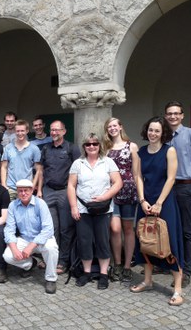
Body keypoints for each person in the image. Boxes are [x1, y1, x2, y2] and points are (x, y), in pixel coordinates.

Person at [130, 116, 185, 306]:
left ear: (163, 133)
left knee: (169, 241)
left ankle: (178, 289)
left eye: (157, 131)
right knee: (145, 240)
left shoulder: (169, 150)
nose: (152, 134)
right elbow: (137, 177)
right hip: (145, 201)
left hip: (165, 201)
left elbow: (171, 179)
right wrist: (142, 200)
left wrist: (159, 202)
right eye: (150, 130)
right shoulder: (141, 152)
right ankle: (147, 280)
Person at [68, 133, 122, 290]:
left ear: (100, 146)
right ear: (84, 147)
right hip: (83, 208)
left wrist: (104, 196)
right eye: (88, 144)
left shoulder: (108, 162)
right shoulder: (78, 163)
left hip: (103, 209)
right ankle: (86, 272)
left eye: (95, 144)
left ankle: (104, 274)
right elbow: (71, 186)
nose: (91, 146)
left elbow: (118, 182)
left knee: (102, 241)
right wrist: (73, 207)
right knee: (84, 241)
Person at [165, 101, 191, 288]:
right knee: (166, 228)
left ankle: (186, 270)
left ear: (182, 115)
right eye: (169, 113)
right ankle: (167, 262)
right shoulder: (163, 135)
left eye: (176, 113)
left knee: (187, 231)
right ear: (166, 116)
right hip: (166, 188)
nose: (173, 116)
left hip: (184, 186)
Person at [37, 120, 81, 275]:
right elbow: (41, 171)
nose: (54, 132)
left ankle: (63, 261)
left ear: (63, 131)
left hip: (64, 192)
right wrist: (39, 190)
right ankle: (50, 258)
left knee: (65, 229)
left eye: (57, 130)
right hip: (48, 191)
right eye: (52, 130)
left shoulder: (71, 148)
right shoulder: (46, 148)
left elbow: (78, 171)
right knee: (51, 228)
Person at [3, 179, 59, 294]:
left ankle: (51, 279)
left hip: (41, 239)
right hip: (25, 239)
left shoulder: (40, 204)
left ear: (32, 190)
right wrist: (14, 249)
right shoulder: (13, 206)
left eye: (26, 191)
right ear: (17, 192)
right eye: (20, 191)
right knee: (8, 256)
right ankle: (30, 264)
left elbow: (48, 229)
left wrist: (31, 246)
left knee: (51, 248)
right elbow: (9, 230)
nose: (23, 193)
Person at [103, 117, 139, 282]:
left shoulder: (131, 146)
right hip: (112, 193)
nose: (112, 128)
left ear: (120, 127)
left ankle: (126, 266)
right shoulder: (106, 149)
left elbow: (137, 173)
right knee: (115, 229)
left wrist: (141, 194)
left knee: (128, 229)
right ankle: (116, 263)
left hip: (129, 192)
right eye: (109, 126)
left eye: (114, 125)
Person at [0, 119, 41, 200]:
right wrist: (4, 185)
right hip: (10, 188)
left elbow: (39, 170)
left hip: (26, 189)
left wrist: (33, 185)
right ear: (15, 131)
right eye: (17, 131)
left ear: (27, 131)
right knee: (9, 212)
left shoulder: (34, 149)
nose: (20, 133)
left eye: (22, 131)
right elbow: (3, 167)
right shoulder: (8, 147)